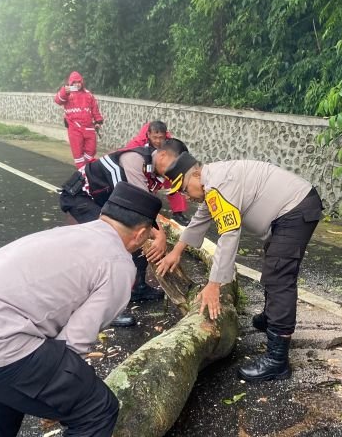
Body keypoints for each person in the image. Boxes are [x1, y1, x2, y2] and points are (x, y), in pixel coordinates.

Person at [0, 182, 162, 437]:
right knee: (97, 409)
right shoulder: (119, 264)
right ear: (141, 233)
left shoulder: (68, 233)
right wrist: (66, 391)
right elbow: (74, 343)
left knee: (21, 378)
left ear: (104, 215)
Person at [157, 153, 323, 382]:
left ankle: (277, 360)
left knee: (279, 275)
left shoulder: (219, 185)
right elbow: (200, 219)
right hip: (291, 208)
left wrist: (214, 284)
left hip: (295, 207)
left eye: (185, 189)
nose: (186, 196)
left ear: (196, 174)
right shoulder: (212, 184)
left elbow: (229, 235)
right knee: (275, 262)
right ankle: (272, 318)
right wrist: (176, 251)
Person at [59, 138, 189, 327]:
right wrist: (160, 235)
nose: (174, 172)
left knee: (138, 234)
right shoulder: (133, 161)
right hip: (81, 197)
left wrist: (155, 233)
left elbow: (145, 213)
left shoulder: (154, 171)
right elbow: (140, 205)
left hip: (105, 201)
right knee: (109, 243)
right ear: (162, 155)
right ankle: (103, 310)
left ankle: (137, 288)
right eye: (174, 165)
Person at [126, 121, 190, 225]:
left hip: (164, 166)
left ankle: (178, 213)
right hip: (144, 167)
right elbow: (126, 154)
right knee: (143, 187)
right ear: (148, 134)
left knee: (176, 181)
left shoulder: (170, 143)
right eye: (155, 137)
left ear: (165, 135)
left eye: (161, 138)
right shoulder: (138, 143)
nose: (158, 141)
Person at [54, 71, 103, 169]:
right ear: (70, 83)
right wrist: (64, 91)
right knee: (78, 153)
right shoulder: (67, 94)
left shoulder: (88, 94)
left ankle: (85, 168)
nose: (77, 84)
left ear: (82, 82)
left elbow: (95, 109)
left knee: (92, 150)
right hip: (74, 127)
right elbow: (58, 100)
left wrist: (98, 121)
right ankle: (82, 172)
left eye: (79, 82)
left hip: (89, 127)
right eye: (74, 82)